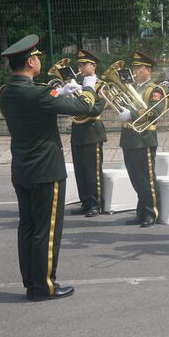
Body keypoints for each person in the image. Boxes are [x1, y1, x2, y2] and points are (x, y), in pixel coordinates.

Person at [0, 34, 97, 301]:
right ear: (30, 61)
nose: (40, 60)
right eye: (38, 57)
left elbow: (36, 108)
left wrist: (57, 92)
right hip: (46, 170)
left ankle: (31, 281)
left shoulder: (5, 93)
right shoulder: (40, 93)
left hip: (21, 168)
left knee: (27, 227)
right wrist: (88, 84)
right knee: (47, 230)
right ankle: (44, 286)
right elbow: (84, 107)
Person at [119, 51, 167, 227]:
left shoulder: (154, 89)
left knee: (146, 178)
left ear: (148, 70)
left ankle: (151, 212)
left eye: (139, 68)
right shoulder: (133, 88)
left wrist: (130, 113)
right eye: (135, 68)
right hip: (129, 138)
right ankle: (141, 211)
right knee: (135, 178)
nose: (135, 71)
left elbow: (154, 112)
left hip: (144, 138)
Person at [69, 49, 107, 217]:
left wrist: (82, 93)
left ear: (94, 66)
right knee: (80, 170)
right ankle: (85, 202)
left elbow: (96, 108)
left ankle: (96, 203)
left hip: (92, 131)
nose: (81, 67)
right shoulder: (77, 84)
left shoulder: (101, 85)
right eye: (79, 64)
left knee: (93, 171)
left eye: (84, 64)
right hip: (77, 131)